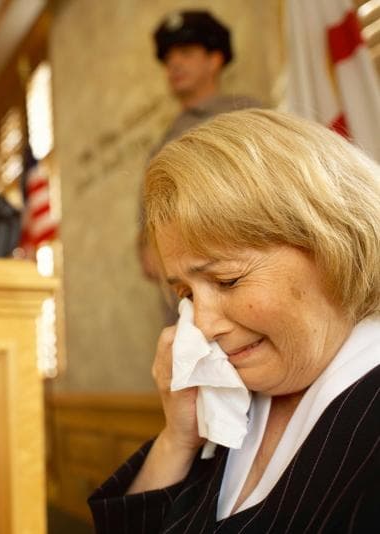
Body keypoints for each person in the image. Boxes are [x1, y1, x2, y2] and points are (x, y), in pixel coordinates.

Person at [89, 109, 380, 532]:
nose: (203, 326)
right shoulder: (225, 400)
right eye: (186, 293)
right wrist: (177, 439)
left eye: (228, 280)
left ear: (332, 241)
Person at [139, 10, 261, 303]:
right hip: (182, 287)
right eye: (168, 59)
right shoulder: (165, 138)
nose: (174, 64)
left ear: (215, 59)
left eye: (186, 52)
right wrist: (147, 244)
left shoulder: (246, 114)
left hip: (234, 280)